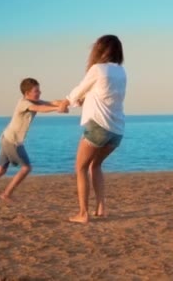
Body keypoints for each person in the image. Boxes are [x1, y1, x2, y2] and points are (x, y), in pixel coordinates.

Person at [59, 34, 126, 224]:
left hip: (98, 127)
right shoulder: (121, 71)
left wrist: (66, 102)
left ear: (100, 50)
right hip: (117, 130)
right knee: (95, 165)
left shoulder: (98, 69)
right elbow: (103, 93)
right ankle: (101, 208)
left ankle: (83, 213)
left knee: (80, 167)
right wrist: (82, 100)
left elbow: (80, 88)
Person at [0, 78, 67, 212]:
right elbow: (39, 108)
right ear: (27, 93)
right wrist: (58, 109)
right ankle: (6, 194)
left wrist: (70, 102)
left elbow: (53, 102)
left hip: (6, 138)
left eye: (39, 90)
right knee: (26, 168)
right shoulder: (24, 103)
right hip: (12, 141)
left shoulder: (33, 100)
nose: (39, 93)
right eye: (36, 91)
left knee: (0, 171)